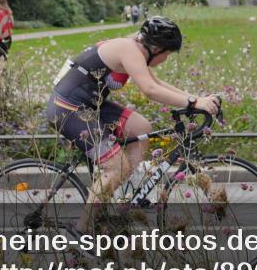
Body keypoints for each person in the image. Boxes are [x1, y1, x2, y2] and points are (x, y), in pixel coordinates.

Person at [46, 16, 220, 232]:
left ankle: (123, 197)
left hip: (88, 105)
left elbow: (156, 82)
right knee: (117, 166)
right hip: (67, 108)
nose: (165, 59)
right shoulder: (128, 49)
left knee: (141, 128)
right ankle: (82, 229)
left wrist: (195, 99)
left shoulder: (135, 48)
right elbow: (150, 90)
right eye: (166, 54)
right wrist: (195, 102)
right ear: (156, 48)